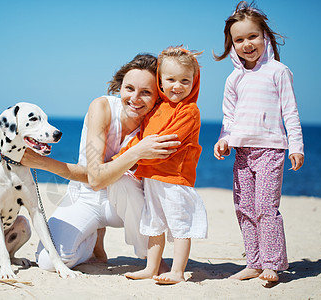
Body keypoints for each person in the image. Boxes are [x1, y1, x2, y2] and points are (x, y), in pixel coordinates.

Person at [20, 54, 180, 271]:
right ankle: (94, 243)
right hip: (86, 196)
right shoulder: (102, 108)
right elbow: (95, 179)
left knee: (122, 182)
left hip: (129, 204)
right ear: (120, 86)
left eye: (146, 92)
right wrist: (136, 152)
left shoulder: (159, 124)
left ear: (158, 96)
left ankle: (150, 258)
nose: (135, 98)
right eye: (129, 88)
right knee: (49, 262)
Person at [213, 1, 304, 282]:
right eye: (239, 39)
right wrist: (224, 140)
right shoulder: (233, 79)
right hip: (242, 152)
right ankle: (253, 262)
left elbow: (290, 111)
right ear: (232, 44)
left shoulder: (278, 71)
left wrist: (296, 147)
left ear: (265, 36)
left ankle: (272, 264)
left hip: (271, 150)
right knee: (244, 208)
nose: (246, 44)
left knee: (266, 207)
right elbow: (229, 117)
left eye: (252, 36)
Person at [116, 46, 208, 284]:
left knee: (179, 225)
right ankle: (151, 267)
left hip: (175, 179)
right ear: (160, 81)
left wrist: (139, 159)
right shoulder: (156, 109)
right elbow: (141, 139)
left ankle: (177, 271)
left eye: (185, 80)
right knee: (153, 223)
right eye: (171, 80)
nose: (177, 86)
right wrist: (122, 158)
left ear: (194, 82)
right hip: (152, 178)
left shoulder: (189, 111)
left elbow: (168, 143)